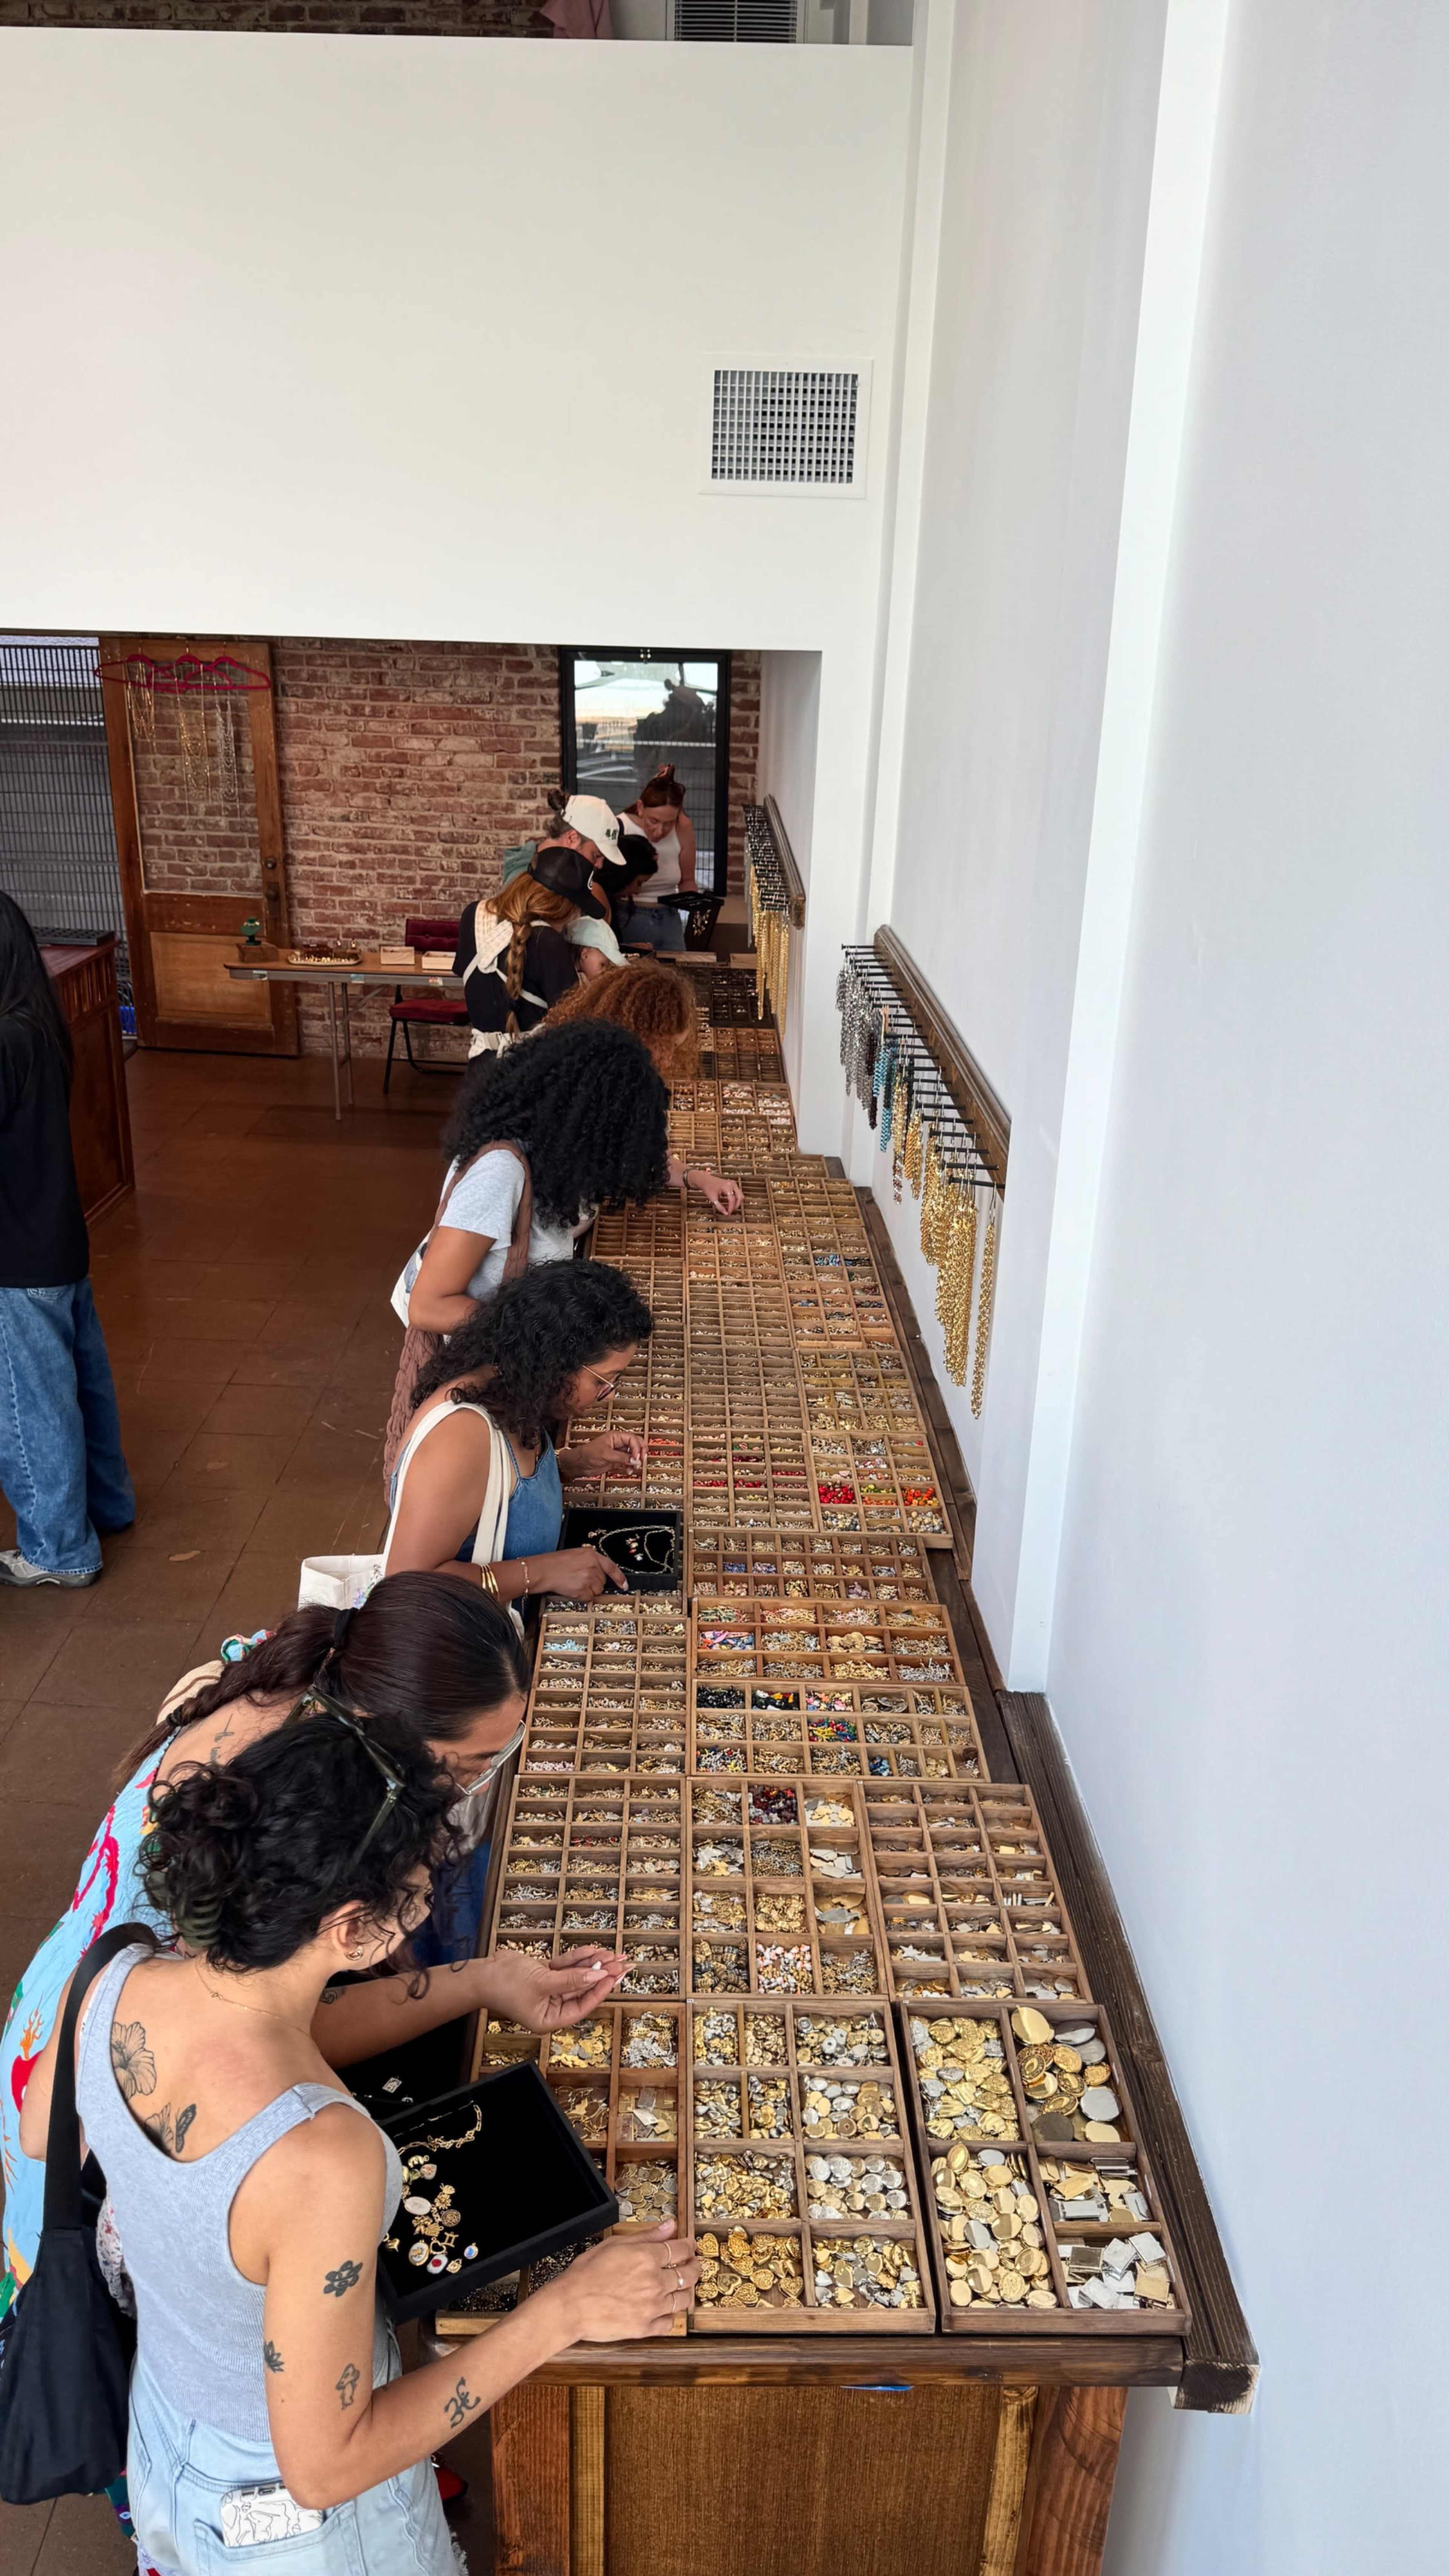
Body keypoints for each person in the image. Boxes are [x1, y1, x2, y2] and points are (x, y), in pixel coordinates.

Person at [20, 1717, 697, 2576]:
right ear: (349, 1926)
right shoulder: (324, 2157)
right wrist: (565, 2311)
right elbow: (325, 2466)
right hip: (297, 2528)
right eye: (415, 1893)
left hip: (166, 2429)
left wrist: (484, 1978)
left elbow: (54, 2131)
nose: (421, 1908)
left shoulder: (120, 1975)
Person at [0, 1572, 625, 2315]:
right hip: (100, 2156)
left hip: (75, 2030)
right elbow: (276, 2016)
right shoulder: (318, 2141)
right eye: (461, 1770)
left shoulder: (307, 1684)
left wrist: (486, 1978)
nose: (469, 1789)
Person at [382, 1261, 655, 1608]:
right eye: (601, 1381)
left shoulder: (513, 1390)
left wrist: (570, 1464)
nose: (610, 1394)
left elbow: (498, 1489)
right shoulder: (459, 1438)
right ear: (555, 1362)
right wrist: (539, 1573)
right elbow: (407, 1587)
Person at [0, 892, 134, 1588]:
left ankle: (57, 1549)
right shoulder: (38, 1024)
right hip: (56, 1240)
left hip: (15, 1254)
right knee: (83, 1382)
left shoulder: (3, 1039)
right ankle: (107, 1506)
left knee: (30, 1404)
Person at [396, 1021, 672, 1337]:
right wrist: (545, 1329)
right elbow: (428, 1306)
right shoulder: (500, 1172)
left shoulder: (551, 1161)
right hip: (481, 1358)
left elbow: (542, 1230)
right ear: (589, 1127)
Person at [539, 964, 741, 1213]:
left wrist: (697, 1178)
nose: (668, 1060)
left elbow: (648, 1159)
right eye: (664, 1046)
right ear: (634, 1032)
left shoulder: (631, 1082)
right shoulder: (570, 1084)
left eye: (675, 1048)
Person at [452, 846, 601, 1059]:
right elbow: (575, 1024)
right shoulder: (547, 941)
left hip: (479, 1067)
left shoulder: (473, 915)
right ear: (565, 907)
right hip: (530, 1072)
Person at [497, 790, 638, 975]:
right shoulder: (526, 881)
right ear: (572, 839)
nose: (600, 865)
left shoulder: (558, 878)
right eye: (596, 855)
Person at [614, 765, 698, 953]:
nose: (660, 832)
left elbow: (688, 880)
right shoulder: (620, 827)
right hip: (627, 915)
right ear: (640, 808)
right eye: (654, 821)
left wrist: (695, 908)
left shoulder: (684, 827)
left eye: (669, 824)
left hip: (669, 918)